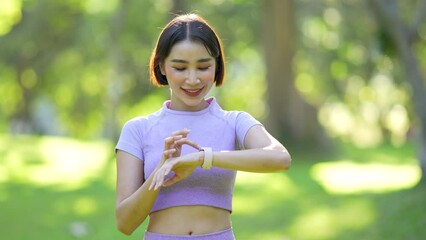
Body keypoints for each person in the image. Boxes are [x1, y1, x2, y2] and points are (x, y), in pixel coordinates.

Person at [115, 13, 292, 240]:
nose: (192, 79)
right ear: (161, 67)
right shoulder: (137, 129)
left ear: (216, 66)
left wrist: (201, 159)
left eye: (203, 67)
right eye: (180, 68)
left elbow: (280, 158)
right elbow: (124, 223)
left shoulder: (234, 121)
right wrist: (162, 169)